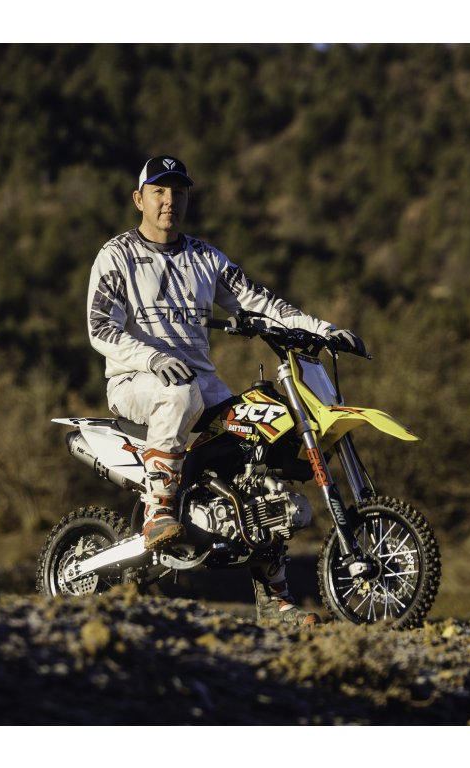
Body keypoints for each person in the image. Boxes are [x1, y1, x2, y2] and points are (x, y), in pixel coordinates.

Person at [86, 155, 365, 626]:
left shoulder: (205, 258)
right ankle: (159, 511)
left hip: (202, 382)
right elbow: (100, 328)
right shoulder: (117, 255)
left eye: (178, 192)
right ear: (139, 199)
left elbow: (261, 302)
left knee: (263, 447)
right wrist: (152, 359)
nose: (169, 201)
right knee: (178, 394)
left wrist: (322, 329)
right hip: (135, 380)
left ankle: (275, 602)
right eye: (159, 191)